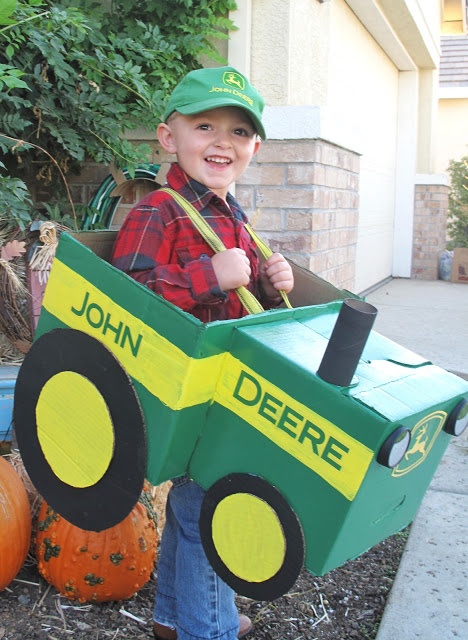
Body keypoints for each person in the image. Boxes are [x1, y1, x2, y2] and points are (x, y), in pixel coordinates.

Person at [111, 66, 294, 640]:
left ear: (255, 147)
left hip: (220, 383)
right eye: (206, 125)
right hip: (177, 387)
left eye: (239, 132)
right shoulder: (157, 211)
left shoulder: (233, 214)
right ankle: (205, 627)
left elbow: (237, 298)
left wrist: (267, 283)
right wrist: (207, 274)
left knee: (196, 501)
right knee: (208, 506)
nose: (223, 142)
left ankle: (174, 612)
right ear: (169, 137)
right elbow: (128, 294)